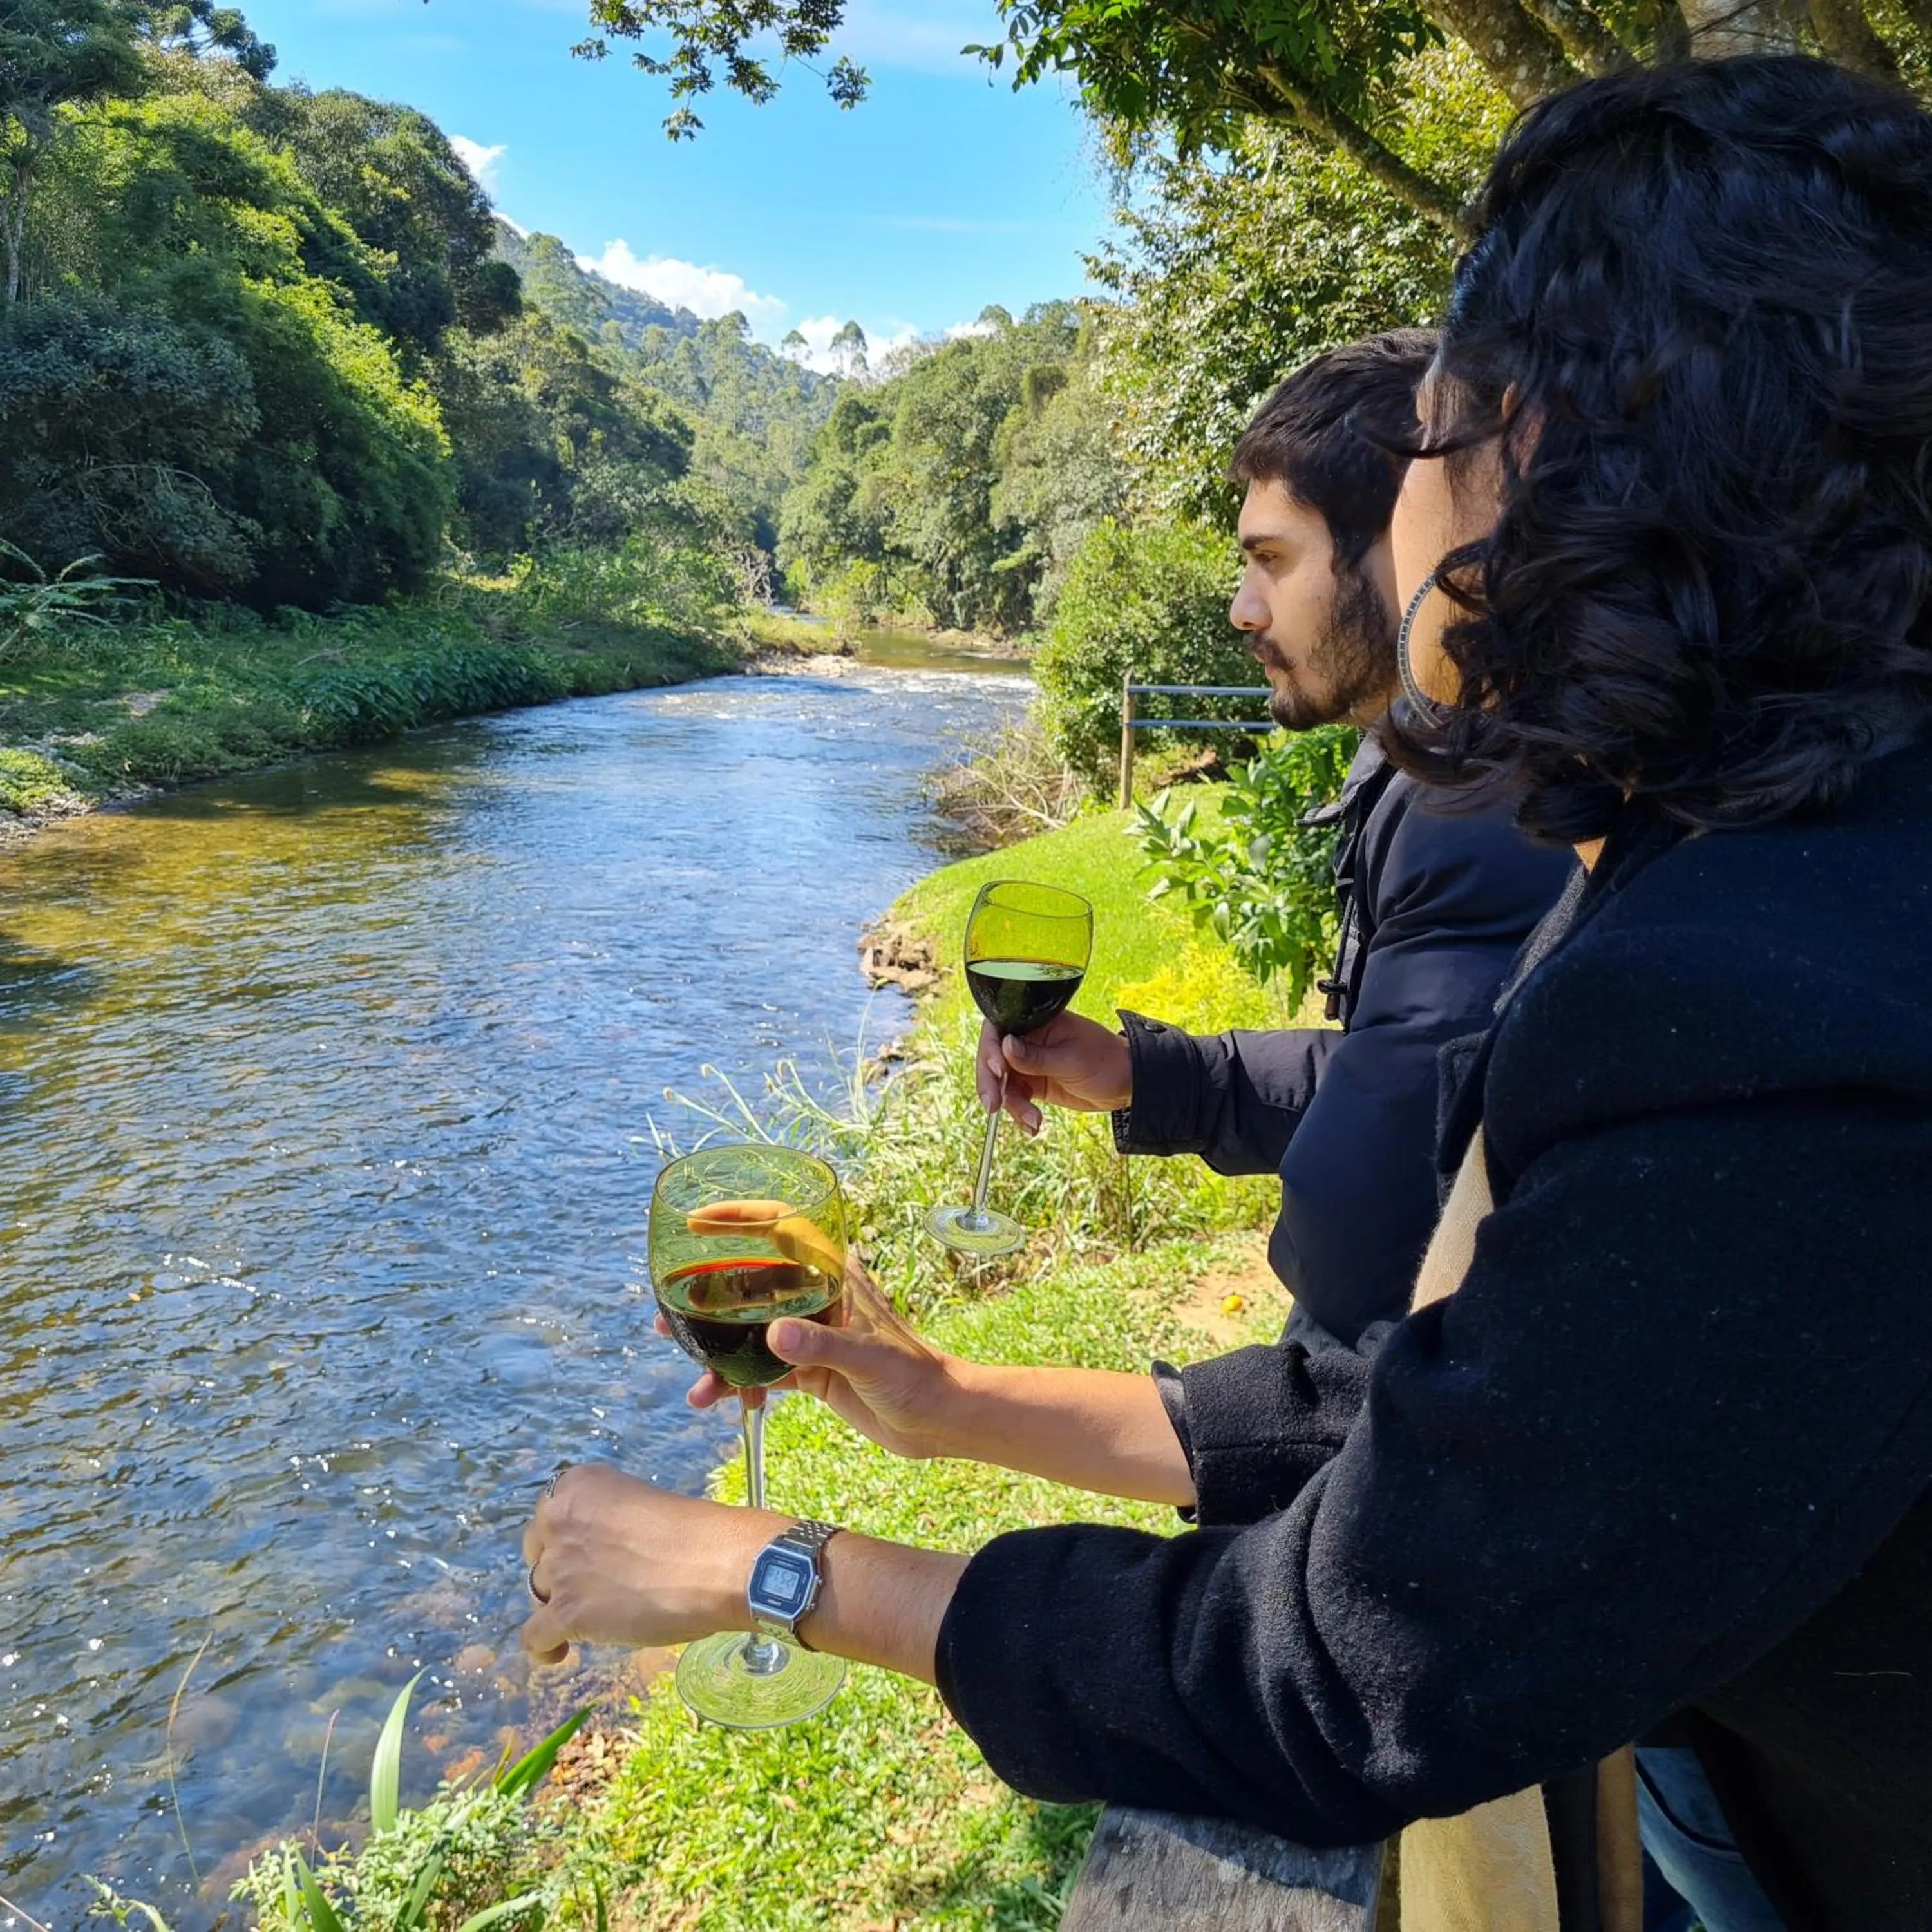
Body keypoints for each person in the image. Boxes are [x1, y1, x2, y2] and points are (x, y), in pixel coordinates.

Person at [523, 56, 1932, 1932]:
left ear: (1556, 452)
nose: (1257, 597)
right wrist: (950, 1399)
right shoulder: (1773, 858)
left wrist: (774, 1572)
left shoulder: (1764, 1000)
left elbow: (1351, 1668)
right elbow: (1472, 1401)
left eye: (1434, 428)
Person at [986, 334, 1573, 1349]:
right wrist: (1147, 1074)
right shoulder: (1411, 755)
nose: (1242, 607)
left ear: (1415, 537)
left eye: (1271, 559)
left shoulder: (1482, 805)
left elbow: (1363, 1257)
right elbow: (1409, 1083)